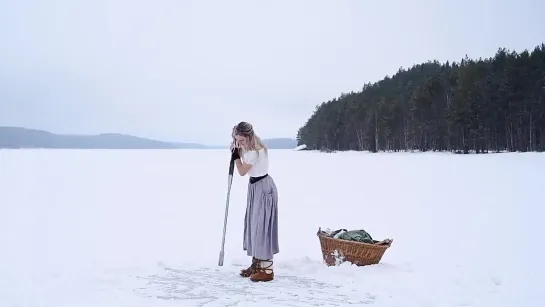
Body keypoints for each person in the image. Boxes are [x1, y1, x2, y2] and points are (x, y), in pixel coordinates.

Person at [230, 121, 279, 282]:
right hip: (256, 187)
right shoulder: (252, 148)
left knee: (261, 226)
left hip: (262, 188)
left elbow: (242, 172)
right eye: (237, 140)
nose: (239, 143)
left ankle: (267, 270)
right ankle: (257, 264)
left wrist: (236, 156)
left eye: (242, 140)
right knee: (254, 224)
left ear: (249, 137)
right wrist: (238, 148)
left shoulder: (254, 152)